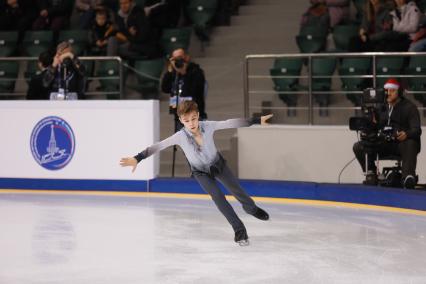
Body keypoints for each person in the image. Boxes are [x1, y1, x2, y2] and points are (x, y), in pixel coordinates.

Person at [120, 101, 272, 245]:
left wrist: (257, 120)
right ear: (181, 120)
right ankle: (239, 230)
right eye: (187, 120)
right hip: (200, 173)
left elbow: (230, 123)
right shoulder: (179, 137)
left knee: (236, 189)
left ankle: (251, 209)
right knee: (218, 197)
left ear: (198, 115)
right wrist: (137, 158)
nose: (191, 123)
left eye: (193, 118)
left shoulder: (208, 126)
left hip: (218, 165)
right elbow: (157, 146)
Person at [353, 78, 422, 189]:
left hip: (401, 143)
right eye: (386, 91)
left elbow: (417, 130)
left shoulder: (410, 107)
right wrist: (372, 125)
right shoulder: (380, 108)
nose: (388, 93)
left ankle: (408, 177)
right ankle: (372, 173)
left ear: (399, 92)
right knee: (358, 146)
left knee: (410, 142)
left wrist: (407, 134)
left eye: (392, 91)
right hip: (384, 143)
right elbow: (375, 129)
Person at [161, 48, 208, 126]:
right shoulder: (174, 73)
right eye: (175, 59)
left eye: (180, 58)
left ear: (187, 57)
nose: (178, 61)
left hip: (193, 114)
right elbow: (165, 88)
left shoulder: (196, 72)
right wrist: (170, 71)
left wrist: (184, 73)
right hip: (179, 115)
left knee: (194, 137)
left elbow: (195, 91)